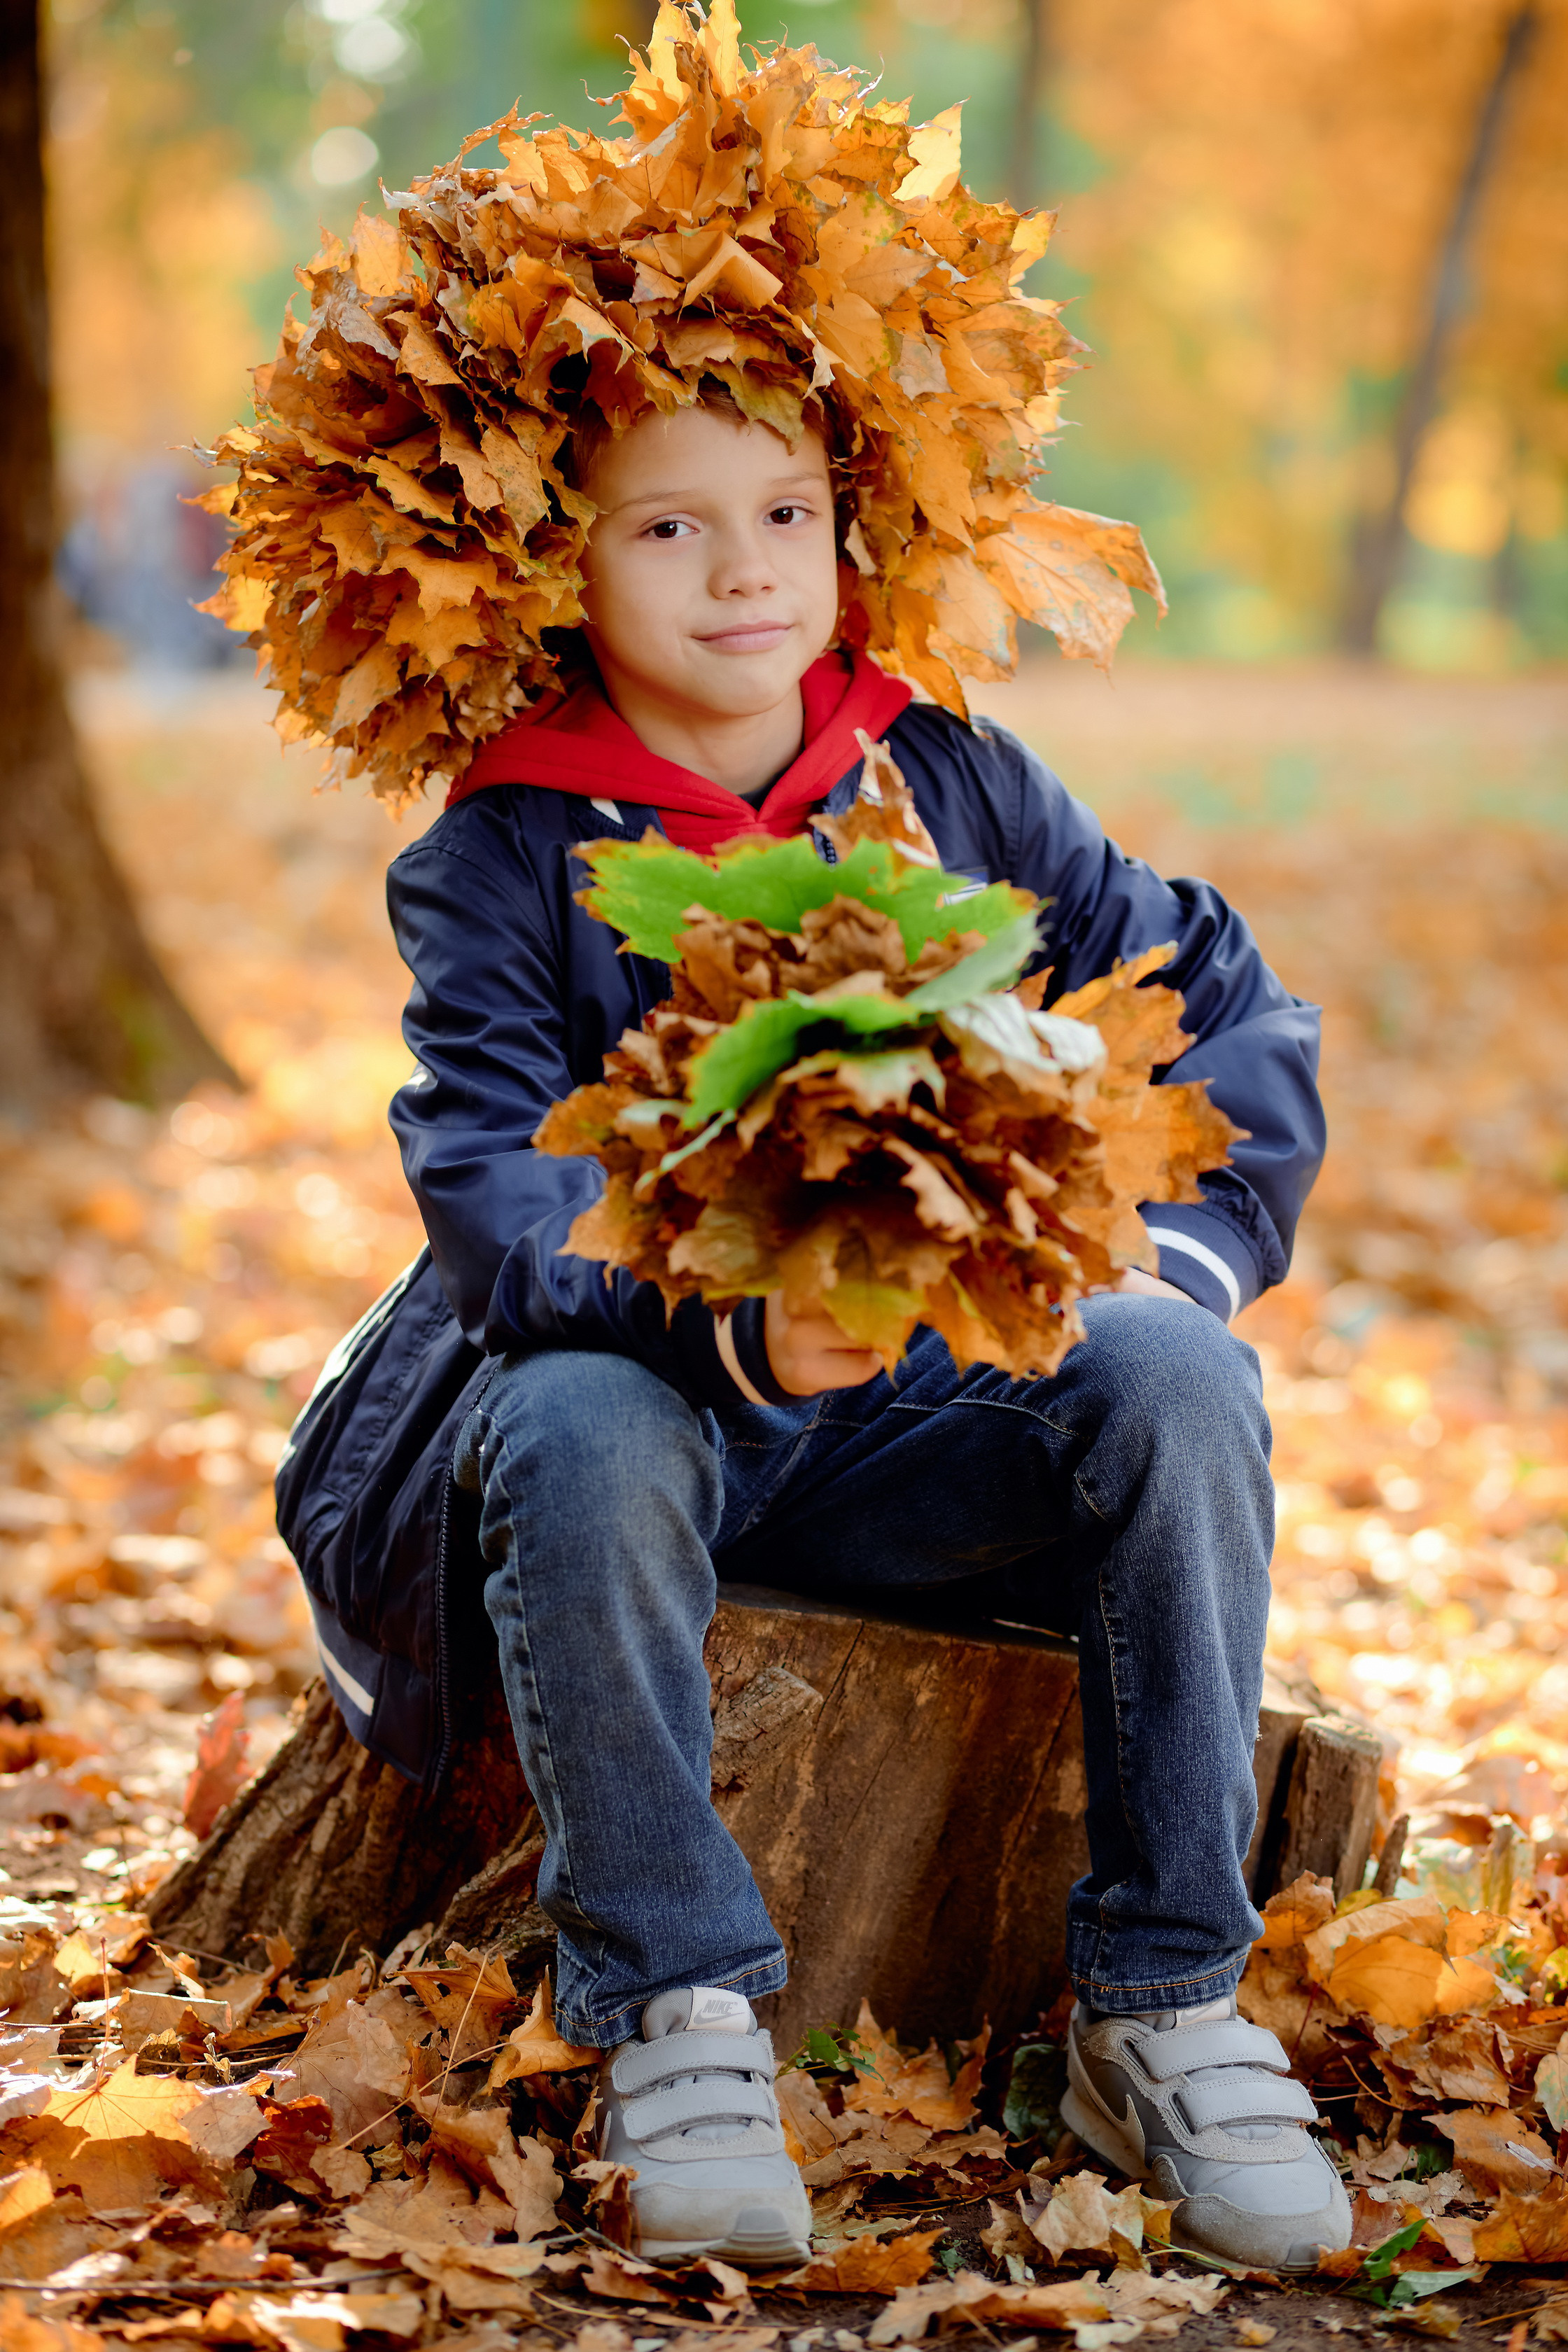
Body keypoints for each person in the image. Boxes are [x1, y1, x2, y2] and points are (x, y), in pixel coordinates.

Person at [244, 4, 1348, 2281]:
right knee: (568, 1428)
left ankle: (1167, 1991)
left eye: (786, 514)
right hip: (663, 1416)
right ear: (565, 556)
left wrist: (1186, 1251)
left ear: (855, 524)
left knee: (1171, 1381)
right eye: (667, 524)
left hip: (924, 1432)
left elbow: (1219, 1009)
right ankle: (676, 2001)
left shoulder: (948, 782)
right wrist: (733, 1330)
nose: (743, 575)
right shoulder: (507, 852)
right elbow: (490, 1189)